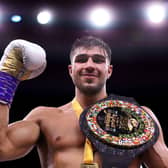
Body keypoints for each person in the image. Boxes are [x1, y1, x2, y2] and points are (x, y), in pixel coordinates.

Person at [0, 36, 167, 168]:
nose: (89, 65)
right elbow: (2, 149)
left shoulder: (138, 117)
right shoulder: (45, 118)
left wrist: (141, 132)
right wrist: (6, 77)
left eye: (98, 60)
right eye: (81, 59)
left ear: (109, 71)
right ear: (71, 71)